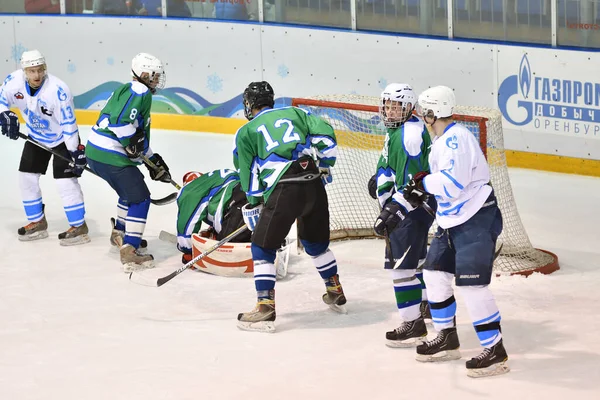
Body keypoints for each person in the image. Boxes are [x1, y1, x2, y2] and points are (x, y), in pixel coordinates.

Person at [403, 85, 509, 378]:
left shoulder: (455, 140)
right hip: (451, 220)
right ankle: (446, 335)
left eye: (424, 112)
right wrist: (425, 183)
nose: (421, 117)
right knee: (434, 274)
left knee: (473, 286)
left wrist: (423, 185)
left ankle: (494, 348)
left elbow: (451, 185)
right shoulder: (443, 139)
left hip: (476, 218)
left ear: (432, 113)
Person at [234, 81, 345, 333]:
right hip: (313, 184)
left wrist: (255, 202)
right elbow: (327, 137)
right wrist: (325, 164)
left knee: (262, 247)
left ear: (250, 105)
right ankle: (334, 289)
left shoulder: (246, 131)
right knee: (316, 244)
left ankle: (265, 307)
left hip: (284, 189)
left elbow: (248, 173)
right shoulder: (298, 113)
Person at [85, 52, 171, 273]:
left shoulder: (125, 88)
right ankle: (130, 250)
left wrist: (152, 159)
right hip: (110, 154)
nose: (155, 80)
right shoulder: (140, 90)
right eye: (153, 76)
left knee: (127, 193)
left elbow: (133, 133)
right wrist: (131, 142)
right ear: (143, 74)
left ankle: (120, 233)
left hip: (96, 153)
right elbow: (120, 123)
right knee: (141, 198)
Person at [369, 83, 435, 348]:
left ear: (409, 108)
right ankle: (425, 305)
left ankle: (413, 324)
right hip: (412, 208)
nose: (390, 111)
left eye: (396, 106)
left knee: (401, 268)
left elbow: (414, 184)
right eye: (387, 105)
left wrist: (393, 210)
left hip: (409, 209)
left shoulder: (409, 133)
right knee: (416, 261)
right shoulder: (398, 130)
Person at [0, 50, 89, 245]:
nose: (37, 76)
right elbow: (1, 101)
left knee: (65, 182)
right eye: (32, 71)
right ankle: (37, 221)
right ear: (24, 71)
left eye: (40, 70)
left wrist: (75, 151)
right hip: (35, 137)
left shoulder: (58, 90)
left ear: (45, 68)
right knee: (26, 178)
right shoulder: (12, 82)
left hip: (62, 139)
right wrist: (4, 114)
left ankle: (79, 226)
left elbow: (68, 124)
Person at [176, 168, 252, 264]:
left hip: (238, 206)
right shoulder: (217, 178)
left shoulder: (191, 189)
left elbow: (186, 222)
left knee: (228, 247)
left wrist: (188, 250)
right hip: (255, 196)